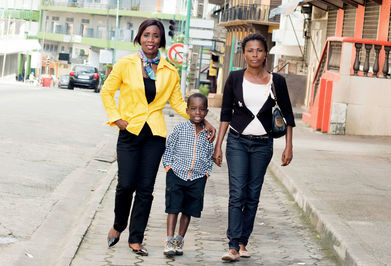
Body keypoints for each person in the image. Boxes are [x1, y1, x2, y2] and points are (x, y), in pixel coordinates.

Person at [100, 19, 215, 256]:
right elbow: (107, 91)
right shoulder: (125, 64)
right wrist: (116, 118)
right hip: (129, 133)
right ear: (139, 38)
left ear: (161, 40)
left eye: (155, 36)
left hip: (154, 136)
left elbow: (177, 103)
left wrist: (201, 119)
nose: (151, 40)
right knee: (125, 185)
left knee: (145, 188)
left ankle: (136, 239)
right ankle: (118, 225)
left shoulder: (169, 71)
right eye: (146, 35)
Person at [213, 33, 295, 262]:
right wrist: (218, 145)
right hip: (238, 141)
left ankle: (242, 242)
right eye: (250, 50)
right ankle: (232, 246)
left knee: (252, 194)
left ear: (265, 54)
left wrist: (288, 146)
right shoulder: (235, 78)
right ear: (244, 53)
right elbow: (225, 114)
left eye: (259, 50)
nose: (255, 55)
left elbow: (288, 115)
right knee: (237, 193)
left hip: (263, 145)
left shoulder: (276, 81)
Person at [161, 93, 214, 257]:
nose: (197, 112)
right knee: (173, 208)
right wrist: (168, 168)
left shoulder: (208, 133)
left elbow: (209, 154)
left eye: (201, 109)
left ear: (206, 112)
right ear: (187, 110)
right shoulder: (179, 129)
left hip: (197, 178)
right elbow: (168, 148)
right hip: (176, 174)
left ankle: (179, 240)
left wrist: (206, 173)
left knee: (188, 210)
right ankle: (169, 240)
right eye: (193, 109)